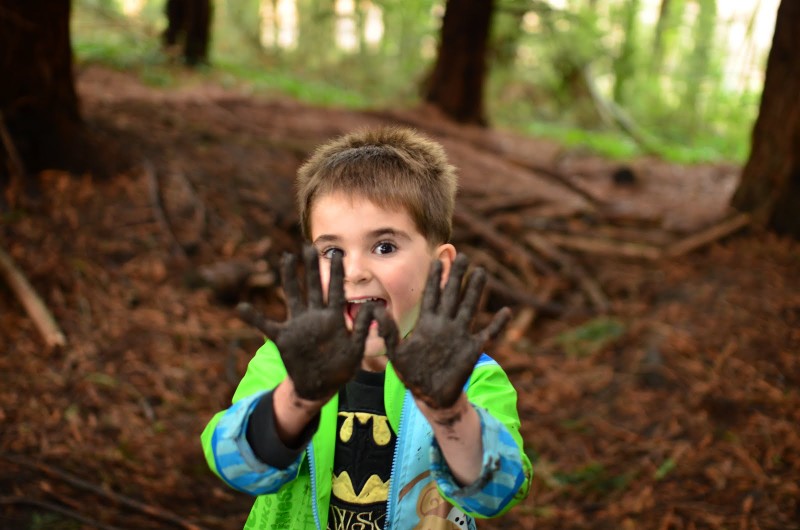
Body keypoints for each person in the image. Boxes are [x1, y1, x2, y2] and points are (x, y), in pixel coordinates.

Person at [200, 126, 532, 529]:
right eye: (333, 251)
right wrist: (297, 399)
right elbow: (236, 468)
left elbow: (496, 493)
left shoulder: (471, 377)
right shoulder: (286, 364)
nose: (354, 272)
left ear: (439, 266)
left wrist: (450, 414)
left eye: (384, 247)